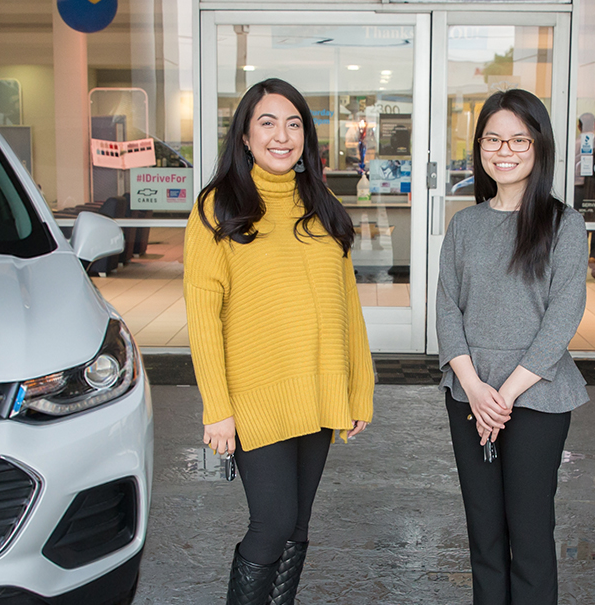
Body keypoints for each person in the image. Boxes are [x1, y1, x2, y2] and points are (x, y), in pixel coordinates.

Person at [183, 78, 374, 605]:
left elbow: (348, 308)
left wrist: (360, 390)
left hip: (316, 392)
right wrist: (216, 409)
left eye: (294, 124)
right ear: (245, 136)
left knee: (299, 526)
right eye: (267, 122)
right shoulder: (216, 208)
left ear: (306, 138)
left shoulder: (323, 204)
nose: (282, 136)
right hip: (255, 396)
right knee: (273, 523)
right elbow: (203, 319)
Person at [436, 89, 590, 605]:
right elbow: (446, 309)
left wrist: (504, 394)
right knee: (484, 535)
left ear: (539, 146)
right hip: (470, 398)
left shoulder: (563, 224)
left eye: (519, 139)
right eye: (493, 138)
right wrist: (475, 389)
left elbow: (563, 316)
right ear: (479, 146)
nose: (505, 150)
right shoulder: (464, 225)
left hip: (538, 399)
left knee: (528, 536)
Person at [574, 112, 595, 280]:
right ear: (594, 125)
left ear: (579, 126)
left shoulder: (574, 144)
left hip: (578, 189)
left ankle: (579, 261)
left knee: (580, 225)